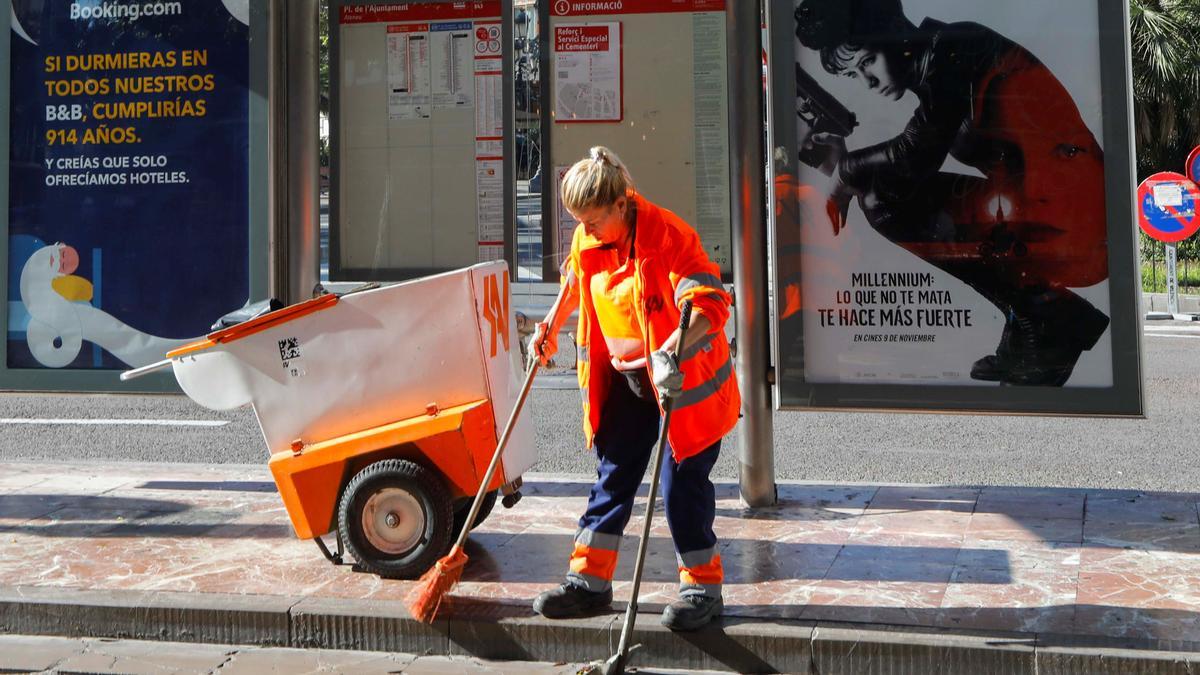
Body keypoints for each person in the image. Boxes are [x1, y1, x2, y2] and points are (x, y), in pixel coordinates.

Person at [793, 0, 1110, 386]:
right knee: (883, 191)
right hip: (1049, 209)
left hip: (1078, 224)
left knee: (883, 200)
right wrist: (844, 168)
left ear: (894, 30)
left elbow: (914, 156)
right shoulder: (942, 60)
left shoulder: (957, 46)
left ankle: (1049, 315)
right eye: (856, 74)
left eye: (867, 61)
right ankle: (1034, 316)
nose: (869, 81)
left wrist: (844, 173)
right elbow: (910, 159)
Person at [529, 146, 739, 632]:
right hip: (627, 378)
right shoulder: (588, 238)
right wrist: (549, 327)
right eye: (580, 221)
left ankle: (702, 589)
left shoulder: (668, 236)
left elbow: (710, 303)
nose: (588, 229)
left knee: (680, 486)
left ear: (621, 204)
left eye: (595, 219)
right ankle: (588, 582)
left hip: (683, 382)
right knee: (613, 475)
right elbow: (575, 285)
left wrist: (672, 352)